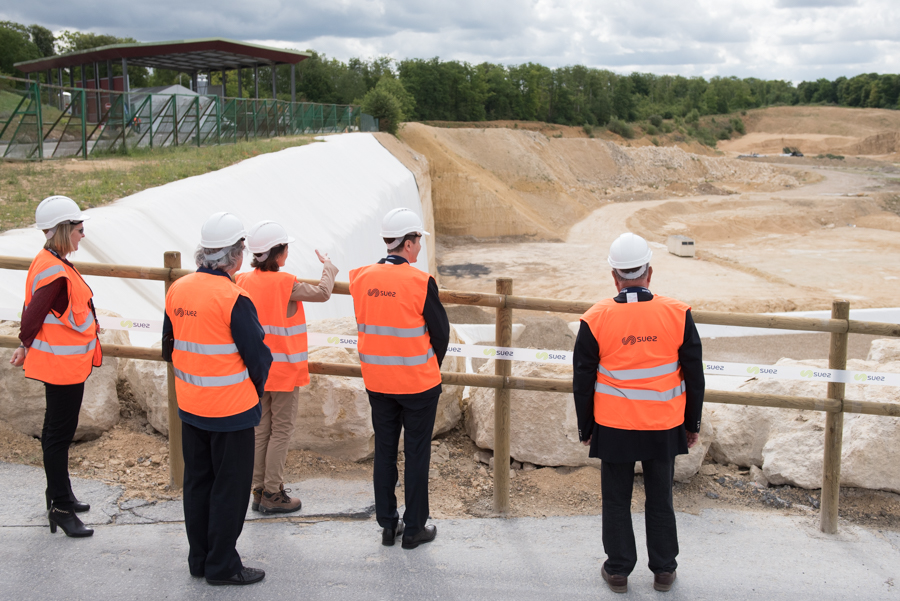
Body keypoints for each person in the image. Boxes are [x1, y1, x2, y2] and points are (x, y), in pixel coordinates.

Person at [572, 232, 704, 594]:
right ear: (650, 272)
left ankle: (618, 570)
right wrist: (692, 423)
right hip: (663, 425)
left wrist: (587, 428)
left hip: (614, 426)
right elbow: (695, 374)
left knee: (616, 499)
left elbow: (582, 380)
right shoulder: (678, 314)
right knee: (660, 497)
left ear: (614, 276)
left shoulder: (595, 319)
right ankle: (663, 570)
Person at [163, 212, 272, 586]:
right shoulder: (233, 297)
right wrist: (252, 393)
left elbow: (168, 346)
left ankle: (200, 559)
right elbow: (259, 358)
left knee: (198, 483)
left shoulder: (178, 288)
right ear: (235, 256)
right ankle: (223, 565)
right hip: (231, 411)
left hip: (191, 407)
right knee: (230, 488)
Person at [348, 208, 449, 549]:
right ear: (408, 243)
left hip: (378, 382)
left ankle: (388, 526)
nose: (419, 246)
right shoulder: (420, 282)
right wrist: (428, 364)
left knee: (385, 452)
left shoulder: (360, 278)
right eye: (418, 240)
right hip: (417, 384)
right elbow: (441, 334)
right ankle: (415, 527)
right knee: (417, 454)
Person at [10, 195, 102, 538]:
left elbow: (43, 309)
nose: (82, 235)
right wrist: (24, 344)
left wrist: (26, 344)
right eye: (79, 229)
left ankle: (58, 495)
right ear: (64, 230)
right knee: (58, 435)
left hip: (63, 365)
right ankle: (61, 508)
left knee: (56, 434)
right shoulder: (55, 270)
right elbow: (34, 313)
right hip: (61, 367)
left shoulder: (50, 261)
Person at [235, 221, 338, 514]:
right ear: (278, 254)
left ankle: (258, 490)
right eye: (286, 248)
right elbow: (322, 293)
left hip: (255, 369)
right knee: (281, 431)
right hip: (283, 369)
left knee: (260, 429)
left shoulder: (241, 281)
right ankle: (272, 493)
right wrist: (328, 266)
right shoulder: (286, 283)